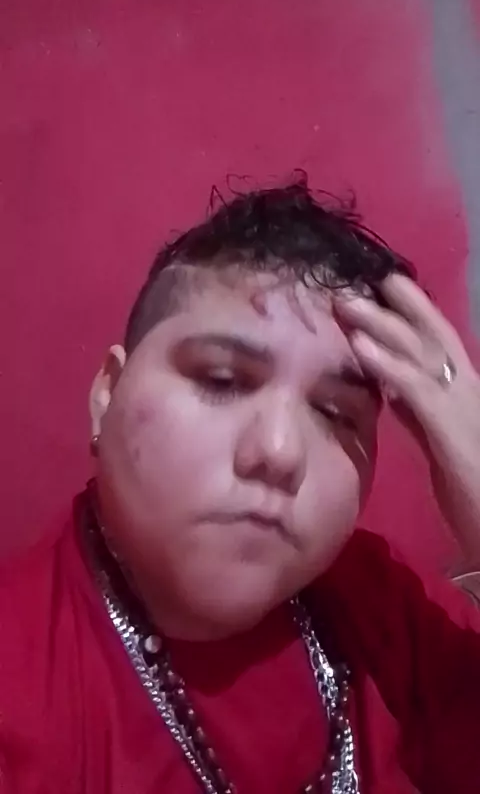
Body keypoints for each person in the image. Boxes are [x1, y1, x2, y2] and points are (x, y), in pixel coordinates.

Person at [1, 176, 480, 794]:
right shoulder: (21, 688)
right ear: (107, 395)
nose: (279, 451)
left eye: (335, 413)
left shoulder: (376, 605)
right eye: (222, 380)